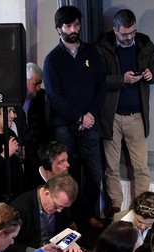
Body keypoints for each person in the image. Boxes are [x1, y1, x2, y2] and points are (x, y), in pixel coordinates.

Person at [43, 5, 107, 231]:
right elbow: (54, 96)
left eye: (76, 24)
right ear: (58, 28)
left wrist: (90, 115)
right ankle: (65, 219)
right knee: (63, 175)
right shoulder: (52, 60)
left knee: (94, 173)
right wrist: (79, 116)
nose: (73, 29)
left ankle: (86, 215)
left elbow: (101, 86)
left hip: (90, 123)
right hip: (64, 126)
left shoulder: (91, 52)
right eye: (68, 25)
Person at [97, 9, 154, 217]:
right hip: (111, 117)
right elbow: (98, 80)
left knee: (141, 167)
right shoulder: (103, 47)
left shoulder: (144, 44)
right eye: (125, 34)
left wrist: (151, 75)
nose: (129, 37)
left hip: (137, 116)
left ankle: (143, 209)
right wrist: (121, 79)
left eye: (132, 32)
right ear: (115, 31)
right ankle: (115, 208)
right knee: (111, 167)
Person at [3, 173, 82, 252]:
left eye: (64, 208)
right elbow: (6, 244)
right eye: (57, 206)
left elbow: (64, 231)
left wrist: (69, 242)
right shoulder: (20, 208)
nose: (59, 211)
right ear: (47, 194)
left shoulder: (61, 204)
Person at [18, 62, 50, 190]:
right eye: (35, 84)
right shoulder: (13, 100)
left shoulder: (42, 97)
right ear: (24, 81)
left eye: (40, 84)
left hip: (38, 150)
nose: (38, 88)